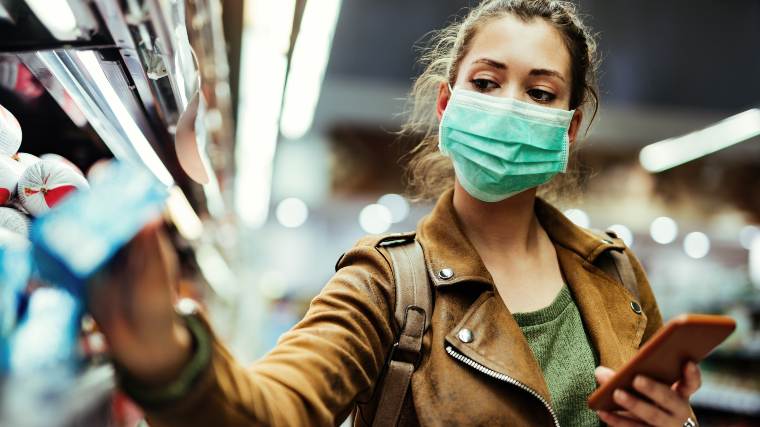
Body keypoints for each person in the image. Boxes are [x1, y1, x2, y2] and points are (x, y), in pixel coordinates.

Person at [89, 1, 702, 426]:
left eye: (539, 93)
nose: (510, 106)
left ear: (567, 130)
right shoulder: (386, 284)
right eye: (486, 83)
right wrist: (172, 359)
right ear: (446, 104)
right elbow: (280, 406)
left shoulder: (615, 276)